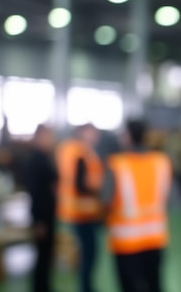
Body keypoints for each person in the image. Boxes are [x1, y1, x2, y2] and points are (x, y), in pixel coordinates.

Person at [102, 119, 172, 292]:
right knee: (155, 283)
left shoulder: (117, 164)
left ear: (128, 137)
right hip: (155, 236)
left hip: (126, 242)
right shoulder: (161, 162)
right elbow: (166, 197)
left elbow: (106, 200)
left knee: (130, 286)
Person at [56, 123, 103, 292]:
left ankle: (86, 286)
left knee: (86, 253)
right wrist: (98, 191)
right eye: (92, 131)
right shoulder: (81, 153)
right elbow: (80, 185)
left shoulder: (71, 150)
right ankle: (86, 287)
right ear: (82, 133)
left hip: (78, 211)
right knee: (88, 253)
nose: (96, 135)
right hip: (83, 212)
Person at [23, 124, 58, 292]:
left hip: (49, 213)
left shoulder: (45, 157)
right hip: (41, 216)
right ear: (38, 137)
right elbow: (35, 193)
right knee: (42, 256)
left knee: (47, 255)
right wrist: (39, 221)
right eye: (47, 136)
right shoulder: (35, 160)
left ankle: (45, 286)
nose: (50, 140)